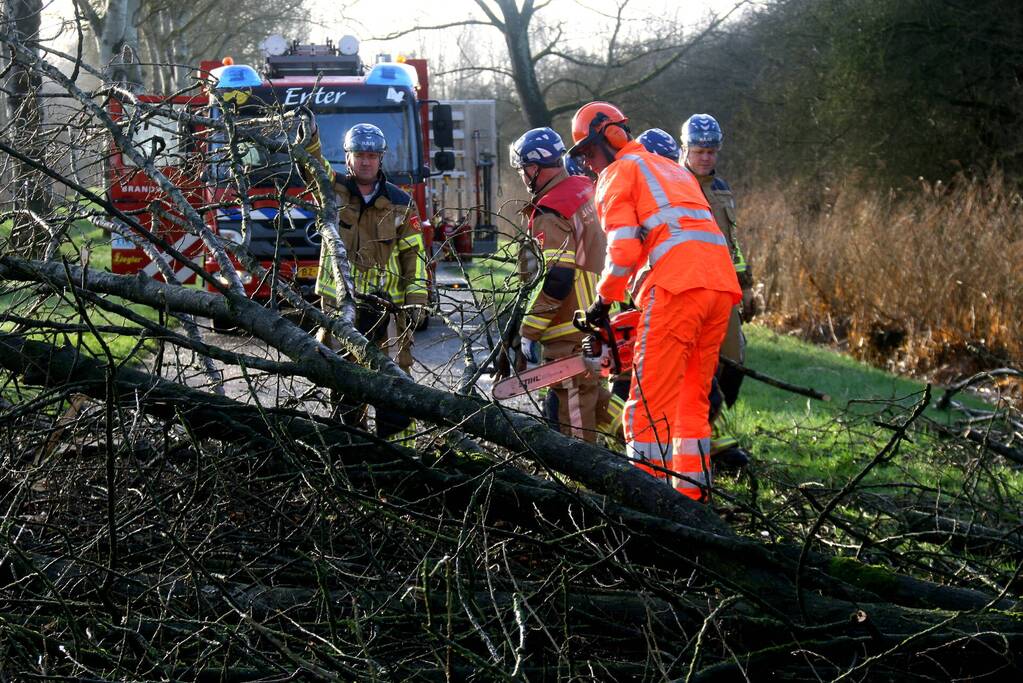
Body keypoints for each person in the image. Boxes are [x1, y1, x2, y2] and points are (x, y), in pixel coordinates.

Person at [569, 102, 741, 501]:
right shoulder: (673, 169)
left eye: (590, 153)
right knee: (691, 404)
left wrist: (602, 302)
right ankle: (693, 500)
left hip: (677, 289)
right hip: (720, 290)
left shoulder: (618, 174)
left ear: (610, 137)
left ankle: (646, 504)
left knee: (647, 405)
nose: (591, 164)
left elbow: (625, 250)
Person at [304, 121, 428, 439]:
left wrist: (416, 301)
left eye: (372, 155)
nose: (366, 161)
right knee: (345, 382)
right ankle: (353, 455)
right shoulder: (332, 192)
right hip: (342, 308)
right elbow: (310, 166)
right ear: (348, 158)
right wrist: (311, 138)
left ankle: (399, 456)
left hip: (387, 310)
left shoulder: (401, 202)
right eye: (359, 154)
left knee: (394, 382)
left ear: (381, 158)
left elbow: (413, 254)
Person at [508, 127, 623, 443]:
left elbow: (557, 277)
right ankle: (645, 440)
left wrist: (529, 330)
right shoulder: (585, 188)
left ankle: (581, 483)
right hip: (598, 315)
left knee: (572, 408)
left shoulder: (550, 210)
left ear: (533, 169)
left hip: (568, 325)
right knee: (592, 394)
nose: (522, 177)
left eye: (522, 171)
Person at [681, 114, 755, 467]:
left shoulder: (722, 188)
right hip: (692, 289)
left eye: (712, 151)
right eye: (700, 151)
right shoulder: (675, 184)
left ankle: (713, 426)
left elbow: (732, 243)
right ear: (685, 149)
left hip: (726, 290)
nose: (706, 157)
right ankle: (709, 440)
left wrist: (747, 284)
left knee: (734, 361)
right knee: (702, 362)